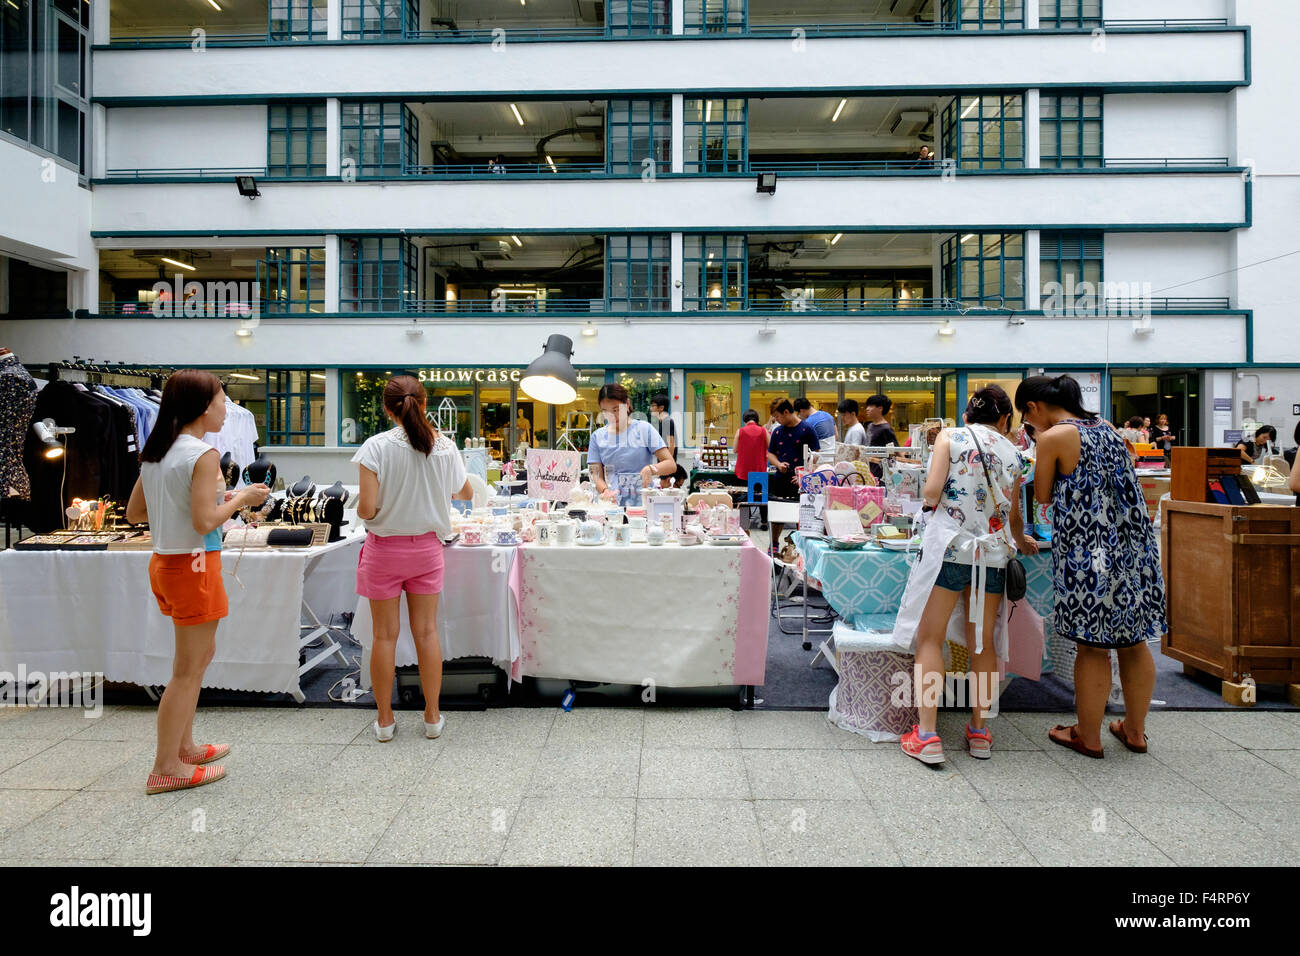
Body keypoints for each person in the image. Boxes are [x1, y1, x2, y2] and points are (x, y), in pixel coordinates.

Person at [125, 370, 271, 795]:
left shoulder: (160, 451)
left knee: (194, 661)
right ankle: (166, 766)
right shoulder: (203, 454)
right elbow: (204, 522)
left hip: (167, 563)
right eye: (223, 400)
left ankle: (183, 748)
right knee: (187, 671)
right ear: (204, 406)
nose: (227, 409)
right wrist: (241, 499)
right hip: (194, 566)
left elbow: (137, 512)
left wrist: (213, 500)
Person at [1015, 374, 1166, 759]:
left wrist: (1037, 452)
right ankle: (1134, 731)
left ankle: (1088, 735)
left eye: (1026, 418)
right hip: (1135, 548)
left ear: (1033, 408)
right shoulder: (1110, 429)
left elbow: (1044, 495)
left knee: (1092, 646)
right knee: (1133, 642)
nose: (1029, 426)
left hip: (1089, 553)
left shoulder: (1053, 438)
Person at [898, 386, 1037, 765]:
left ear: (967, 416)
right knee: (982, 644)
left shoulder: (949, 436)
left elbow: (930, 492)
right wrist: (1022, 540)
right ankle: (979, 731)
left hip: (950, 549)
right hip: (992, 554)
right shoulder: (1016, 453)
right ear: (1006, 418)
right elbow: (1012, 514)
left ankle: (927, 735)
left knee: (930, 638)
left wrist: (937, 502)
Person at [354, 375, 473, 743]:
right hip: (427, 551)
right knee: (427, 632)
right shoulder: (444, 445)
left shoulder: (375, 448)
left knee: (384, 636)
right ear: (424, 404)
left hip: (384, 551)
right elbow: (465, 492)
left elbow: (367, 509)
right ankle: (432, 716)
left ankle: (386, 720)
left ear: (389, 409)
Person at [588, 383, 675, 506]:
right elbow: (596, 475)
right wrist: (605, 491)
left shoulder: (645, 429)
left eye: (616, 409)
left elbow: (671, 464)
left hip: (643, 502)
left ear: (627, 404)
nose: (611, 416)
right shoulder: (597, 437)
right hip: (611, 504)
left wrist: (651, 469)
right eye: (605, 411)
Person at [765, 399, 819, 557]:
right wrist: (778, 464)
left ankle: (799, 546)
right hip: (781, 478)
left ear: (786, 412)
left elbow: (815, 455)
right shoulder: (777, 431)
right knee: (777, 514)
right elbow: (770, 454)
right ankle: (774, 544)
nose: (777, 420)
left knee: (801, 514)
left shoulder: (807, 429)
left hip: (802, 482)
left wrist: (804, 475)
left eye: (778, 417)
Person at [650, 393, 677, 463]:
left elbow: (671, 445)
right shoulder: (662, 421)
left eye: (653, 406)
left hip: (666, 462)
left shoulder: (667, 421)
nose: (651, 408)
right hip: (663, 459)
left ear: (661, 408)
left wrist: (668, 462)